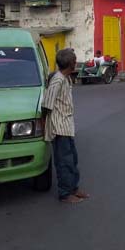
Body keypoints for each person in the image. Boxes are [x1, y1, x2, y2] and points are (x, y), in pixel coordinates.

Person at [42, 48, 90, 203]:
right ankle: (65, 193)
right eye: (75, 61)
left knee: (72, 160)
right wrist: (44, 127)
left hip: (67, 126)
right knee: (64, 162)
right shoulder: (57, 80)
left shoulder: (66, 78)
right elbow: (46, 105)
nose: (76, 63)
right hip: (59, 128)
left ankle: (73, 188)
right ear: (70, 64)